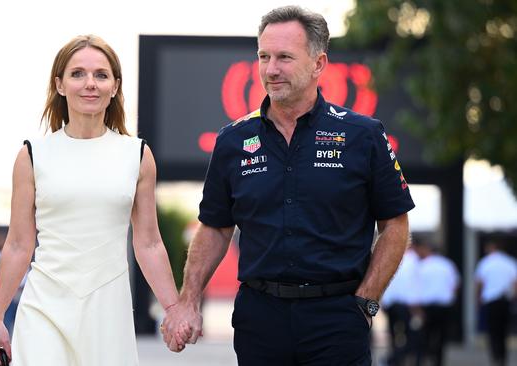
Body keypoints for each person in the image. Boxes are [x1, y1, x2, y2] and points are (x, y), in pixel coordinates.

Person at [162, 5, 415, 365]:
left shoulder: (364, 135)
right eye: (263, 56)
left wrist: (366, 300)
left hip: (337, 319)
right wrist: (188, 299)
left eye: (284, 57)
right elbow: (215, 228)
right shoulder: (233, 141)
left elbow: (395, 224)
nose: (271, 69)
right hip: (259, 319)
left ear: (318, 63)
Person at [0, 34, 183, 366]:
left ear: (115, 86)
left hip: (108, 310)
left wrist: (175, 309)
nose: (89, 83)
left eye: (101, 75)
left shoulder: (136, 155)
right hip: (43, 307)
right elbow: (19, 244)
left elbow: (148, 243)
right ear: (60, 84)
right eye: (77, 74)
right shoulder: (32, 155)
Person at [413, 239, 460, 366]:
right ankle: (438, 361)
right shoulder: (448, 265)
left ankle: (425, 359)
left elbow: (415, 287)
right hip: (444, 306)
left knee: (425, 335)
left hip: (426, 306)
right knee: (442, 336)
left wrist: (416, 308)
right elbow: (455, 286)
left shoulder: (421, 266)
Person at [475, 240, 517, 366]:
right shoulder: (510, 262)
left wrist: (478, 299)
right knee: (504, 332)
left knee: (493, 332)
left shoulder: (486, 262)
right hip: (505, 300)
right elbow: (515, 284)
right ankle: (502, 358)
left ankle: (495, 357)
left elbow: (479, 283)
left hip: (491, 301)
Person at [381, 247, 420, 365]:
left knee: (394, 333)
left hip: (392, 303)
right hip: (405, 303)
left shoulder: (390, 255)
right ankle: (397, 358)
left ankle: (395, 358)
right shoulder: (413, 259)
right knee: (408, 333)